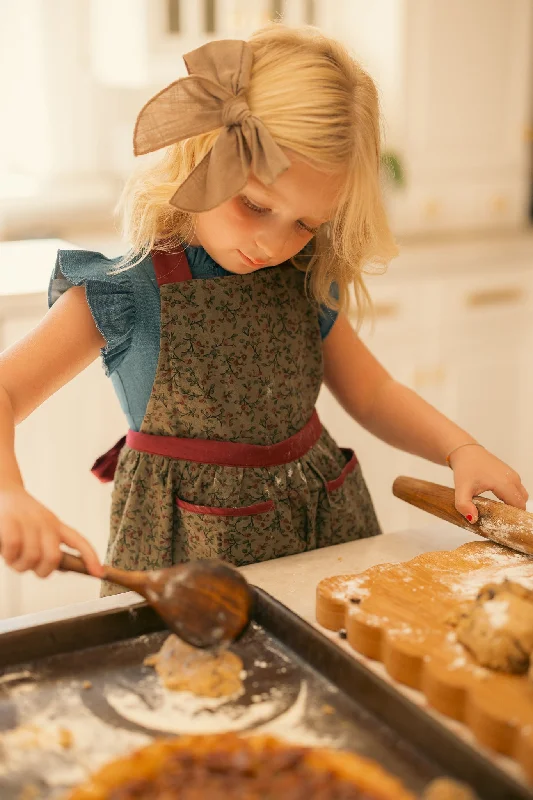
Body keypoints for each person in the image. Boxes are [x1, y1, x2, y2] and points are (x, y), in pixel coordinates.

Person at [0, 25, 527, 594]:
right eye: (254, 205)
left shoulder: (300, 278)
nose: (274, 245)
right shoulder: (129, 291)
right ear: (203, 153)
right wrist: (10, 492)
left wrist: (459, 448)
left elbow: (374, 394)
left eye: (306, 224)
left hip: (325, 529)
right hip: (186, 555)